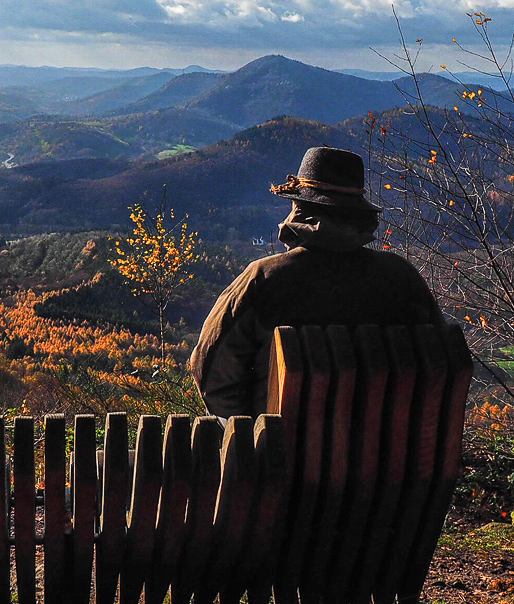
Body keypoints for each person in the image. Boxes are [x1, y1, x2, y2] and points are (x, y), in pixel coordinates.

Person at [189, 145, 445, 418]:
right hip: (389, 454)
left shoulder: (264, 279)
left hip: (281, 455)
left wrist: (252, 433)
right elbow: (437, 362)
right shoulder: (401, 277)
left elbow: (211, 371)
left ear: (299, 209)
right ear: (358, 214)